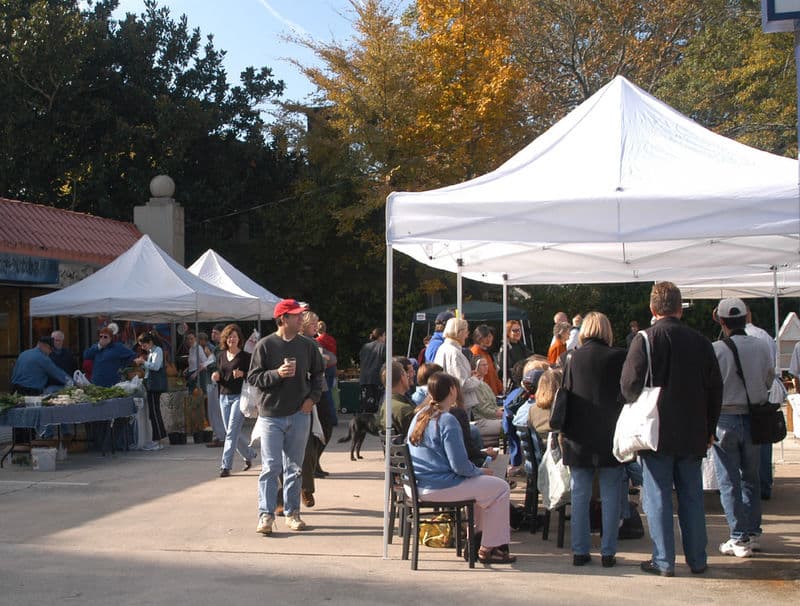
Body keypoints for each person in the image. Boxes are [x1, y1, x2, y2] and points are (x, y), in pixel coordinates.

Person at [621, 281, 723, 577]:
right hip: (693, 429)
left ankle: (664, 560)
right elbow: (715, 387)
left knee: (658, 497)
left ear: (653, 309)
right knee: (692, 497)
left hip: (656, 430)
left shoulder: (645, 339)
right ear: (680, 308)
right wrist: (710, 428)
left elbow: (628, 386)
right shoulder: (701, 341)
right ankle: (698, 559)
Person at [406, 372, 516, 564]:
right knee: (501, 487)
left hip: (418, 485)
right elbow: (459, 465)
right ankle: (488, 548)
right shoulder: (447, 420)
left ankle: (477, 540)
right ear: (452, 390)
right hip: (439, 486)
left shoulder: (419, 416)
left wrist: (477, 473)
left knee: (485, 491)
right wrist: (480, 471)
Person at [553, 311, 626, 568]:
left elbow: (567, 393)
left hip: (578, 434)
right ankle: (608, 552)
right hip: (610, 433)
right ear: (607, 330)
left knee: (580, 496)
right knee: (611, 496)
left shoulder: (571, 357)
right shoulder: (619, 356)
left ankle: (580, 551)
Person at [248, 299, 325, 535]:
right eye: (296, 316)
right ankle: (266, 515)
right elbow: (253, 377)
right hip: (271, 415)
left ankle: (292, 514)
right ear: (283, 319)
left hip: (300, 414)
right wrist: (276, 374)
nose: (301, 318)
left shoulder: (307, 345)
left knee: (295, 467)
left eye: (301, 315)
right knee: (271, 467)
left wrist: (312, 399)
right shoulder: (265, 345)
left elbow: (319, 374)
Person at [711, 298, 774, 558]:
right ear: (746, 318)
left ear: (722, 321)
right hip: (754, 418)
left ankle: (738, 536)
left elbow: (709, 387)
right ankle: (753, 532)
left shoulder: (716, 349)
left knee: (729, 481)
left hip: (725, 418)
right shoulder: (761, 346)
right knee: (751, 478)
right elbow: (769, 378)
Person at [210, 324, 258, 478]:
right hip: (223, 396)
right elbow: (219, 372)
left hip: (240, 397)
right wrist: (215, 376)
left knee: (231, 432)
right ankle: (249, 454)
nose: (232, 339)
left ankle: (225, 466)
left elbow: (253, 376)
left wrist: (242, 374)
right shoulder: (221, 356)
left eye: (235, 336)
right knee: (231, 432)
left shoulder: (245, 357)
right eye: (230, 336)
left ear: (239, 339)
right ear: (226, 339)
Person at [744, 305, 779, 501]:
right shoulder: (764, 336)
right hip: (761, 399)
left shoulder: (725, 343)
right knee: (764, 445)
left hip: (738, 403)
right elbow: (770, 371)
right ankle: (765, 485)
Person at [433, 317, 482, 416]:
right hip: (457, 404)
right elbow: (461, 384)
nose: (467, 335)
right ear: (458, 332)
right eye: (466, 331)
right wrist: (476, 378)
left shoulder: (443, 349)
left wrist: (469, 375)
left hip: (448, 402)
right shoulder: (454, 353)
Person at [134, 332, 168, 449]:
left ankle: (157, 441)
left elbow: (156, 366)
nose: (143, 348)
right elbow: (151, 367)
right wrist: (143, 364)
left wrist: (144, 362)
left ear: (150, 342)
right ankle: (158, 438)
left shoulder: (157, 350)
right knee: (153, 412)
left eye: (143, 345)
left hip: (155, 386)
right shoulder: (152, 352)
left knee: (154, 412)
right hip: (151, 384)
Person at [377, 360, 415, 438]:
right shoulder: (404, 409)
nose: (408, 376)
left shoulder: (386, 404)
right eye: (405, 374)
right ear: (402, 378)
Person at [471, 356, 504, 442]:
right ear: (476, 367)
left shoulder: (484, 384)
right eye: (483, 365)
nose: (486, 367)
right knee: (509, 424)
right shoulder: (475, 386)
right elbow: (484, 410)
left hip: (491, 418)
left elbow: (492, 405)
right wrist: (502, 414)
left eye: (487, 364)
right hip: (482, 421)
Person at [206, 323, 227, 448]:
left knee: (217, 411)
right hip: (212, 382)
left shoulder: (222, 348)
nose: (213, 335)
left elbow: (219, 365)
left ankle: (221, 436)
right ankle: (219, 435)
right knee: (213, 411)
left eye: (216, 333)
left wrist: (209, 364)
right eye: (212, 332)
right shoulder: (216, 348)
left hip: (219, 382)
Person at [316, 319, 339, 427]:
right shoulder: (331, 339)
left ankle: (330, 418)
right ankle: (333, 417)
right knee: (331, 392)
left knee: (327, 393)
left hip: (325, 367)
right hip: (333, 367)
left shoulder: (318, 340)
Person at [359, 328, 386, 414]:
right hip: (377, 378)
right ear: (381, 336)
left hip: (364, 378)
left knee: (366, 404)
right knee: (377, 405)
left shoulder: (365, 346)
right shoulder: (383, 346)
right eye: (384, 335)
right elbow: (387, 362)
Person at [470, 325, 503, 395]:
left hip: (492, 394)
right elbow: (477, 376)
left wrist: (501, 389)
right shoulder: (475, 352)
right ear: (478, 338)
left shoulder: (486, 353)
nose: (488, 339)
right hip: (484, 395)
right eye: (485, 337)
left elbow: (494, 375)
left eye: (490, 336)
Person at [501, 320, 531, 389]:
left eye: (519, 330)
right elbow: (506, 368)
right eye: (514, 330)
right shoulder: (505, 348)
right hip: (513, 385)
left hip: (525, 380)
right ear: (508, 332)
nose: (518, 332)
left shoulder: (521, 345)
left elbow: (531, 356)